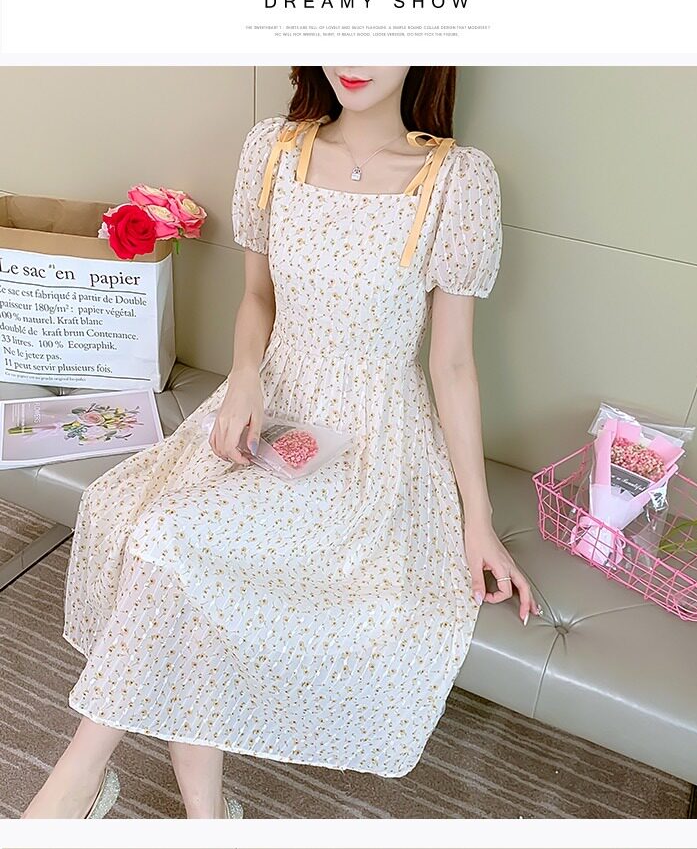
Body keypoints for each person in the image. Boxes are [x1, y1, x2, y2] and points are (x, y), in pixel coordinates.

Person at [22, 65, 541, 820]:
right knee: (161, 540)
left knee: (167, 539)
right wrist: (243, 376)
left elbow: (453, 363)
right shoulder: (273, 149)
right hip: (270, 404)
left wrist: (478, 520)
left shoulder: (457, 180)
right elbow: (257, 298)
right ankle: (207, 816)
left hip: (373, 440)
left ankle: (75, 787)